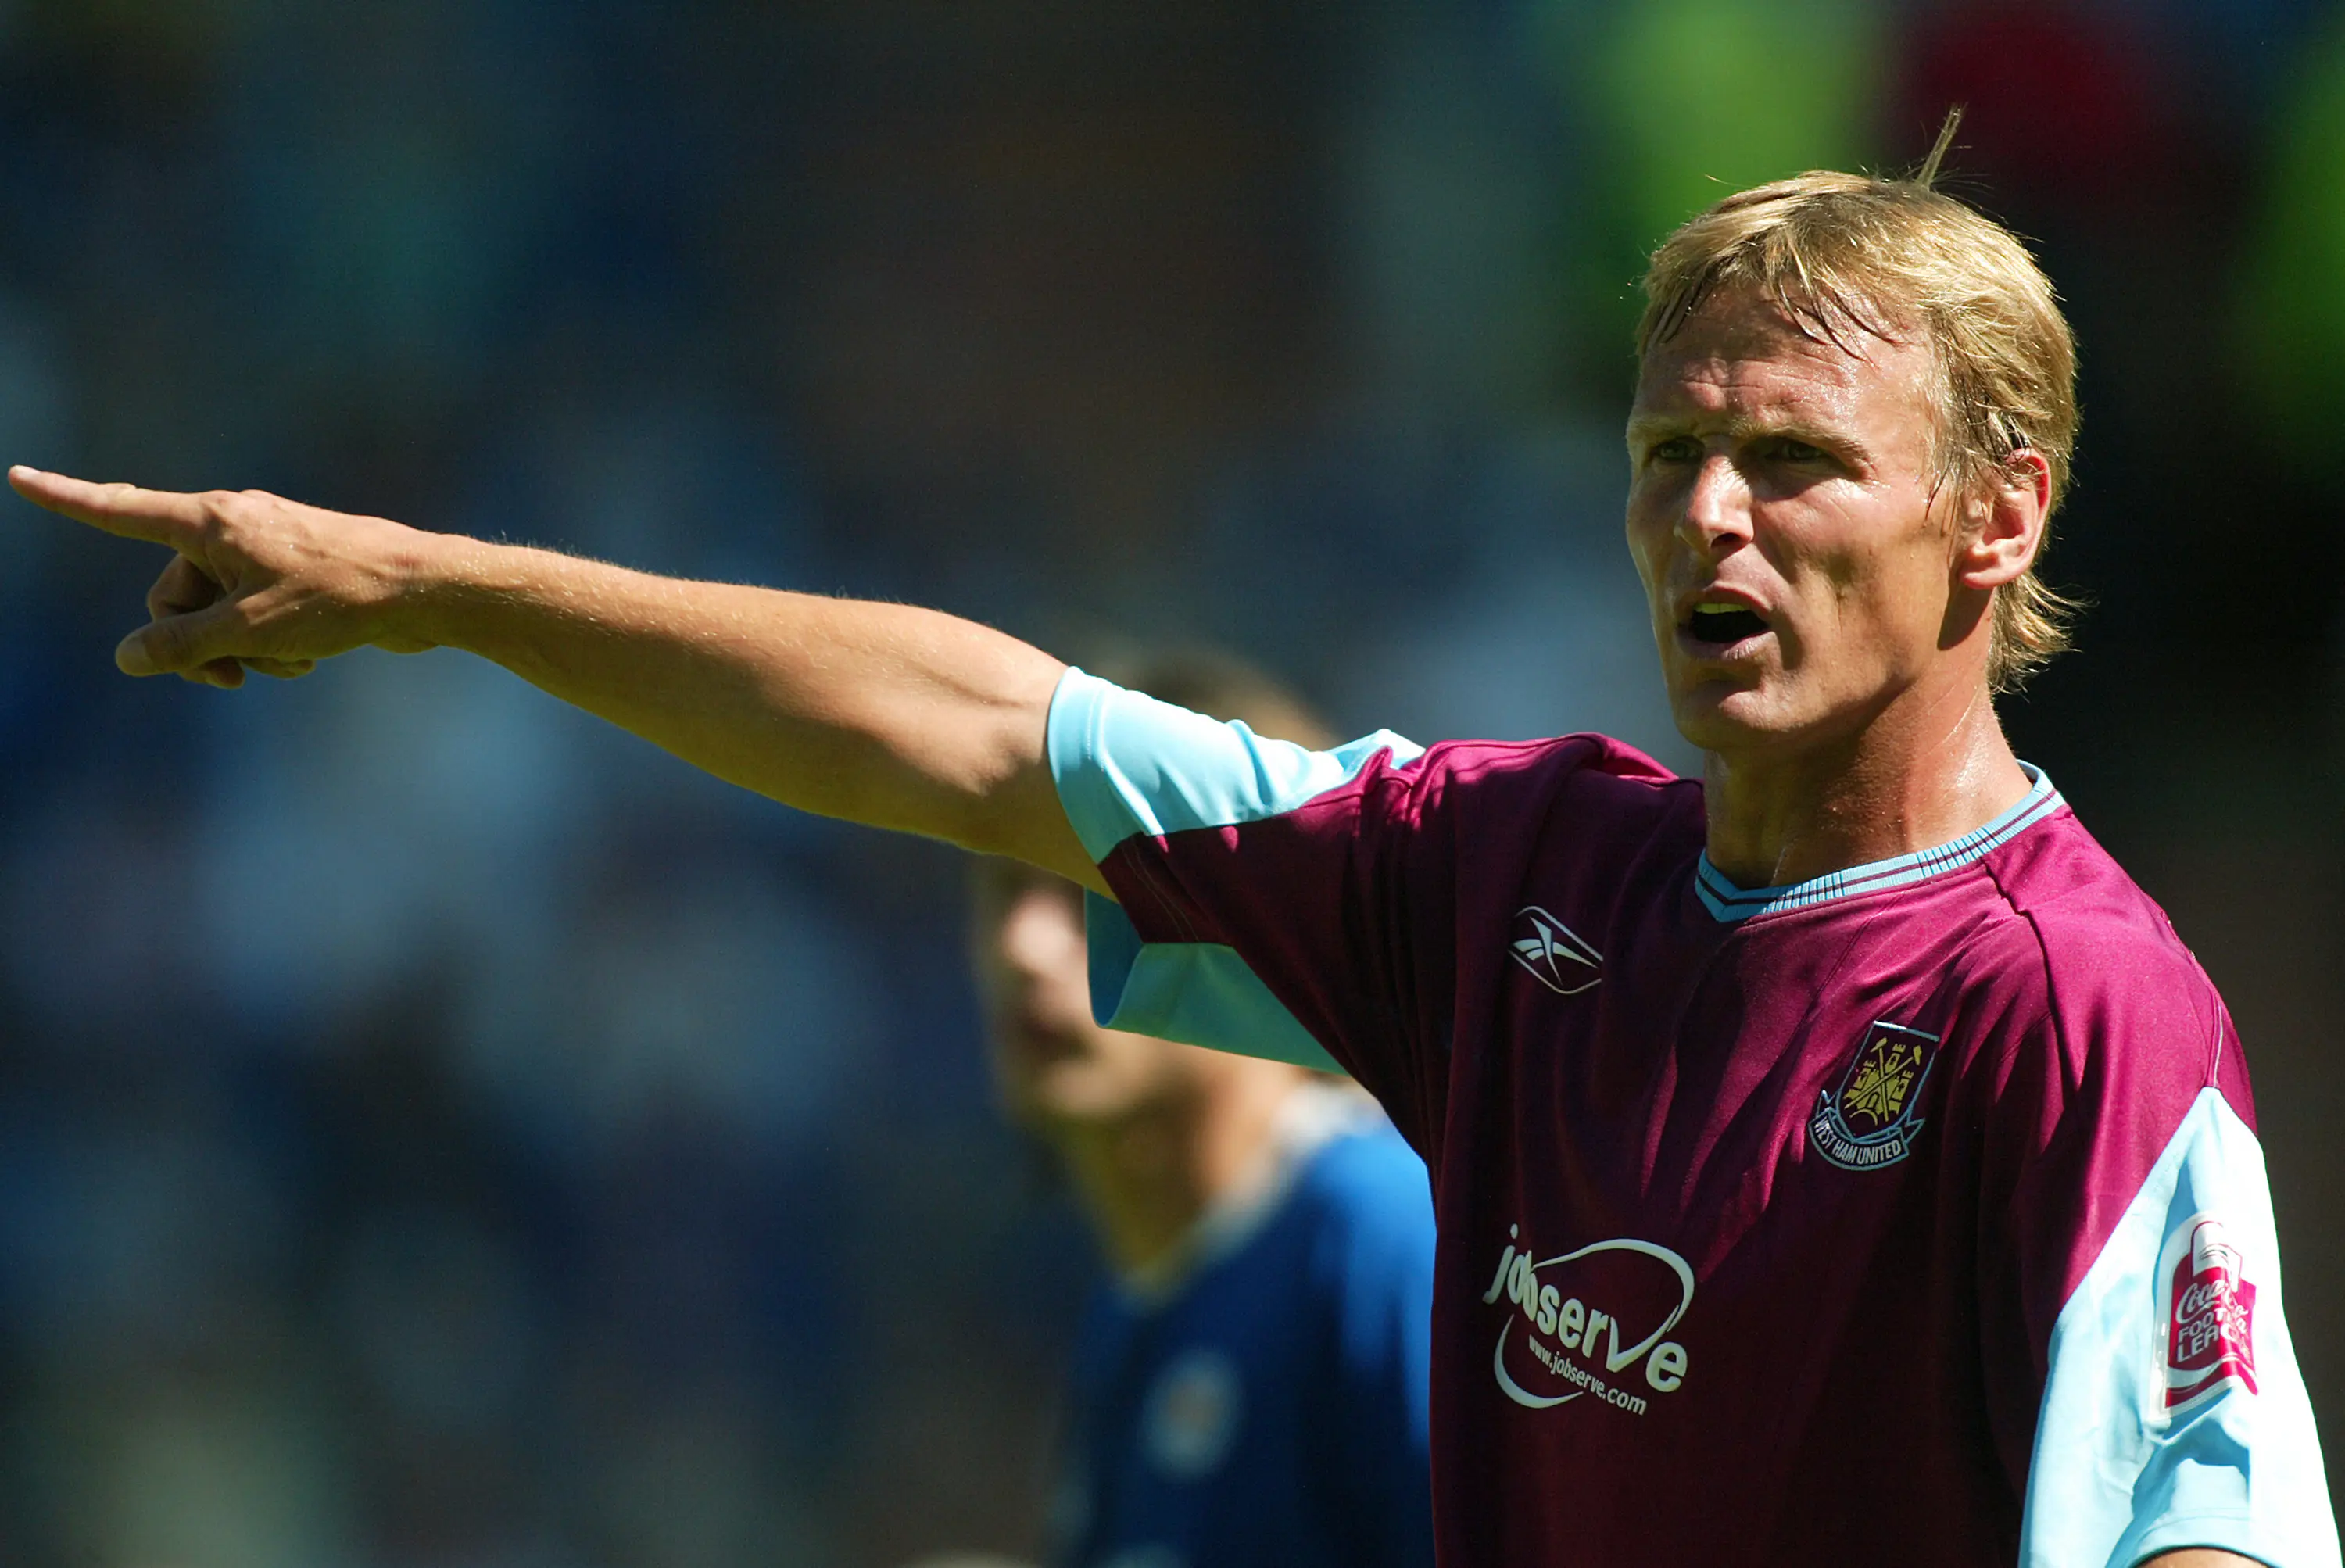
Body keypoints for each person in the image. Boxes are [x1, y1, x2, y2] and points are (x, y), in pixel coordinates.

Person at [13, 139, 2339, 1564]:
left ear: (1992, 513)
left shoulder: (2074, 1003)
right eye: (1663, 453)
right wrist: (437, 586)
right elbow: (968, 723)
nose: (1704, 517)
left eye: (1794, 460)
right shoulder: (1517, 881)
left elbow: (2199, 1532)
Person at [968, 652, 1435, 1568]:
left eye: (1084, 892)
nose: (1024, 947)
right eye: (1000, 891)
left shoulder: (1383, 1238)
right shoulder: (1135, 1302)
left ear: (1264, 915)